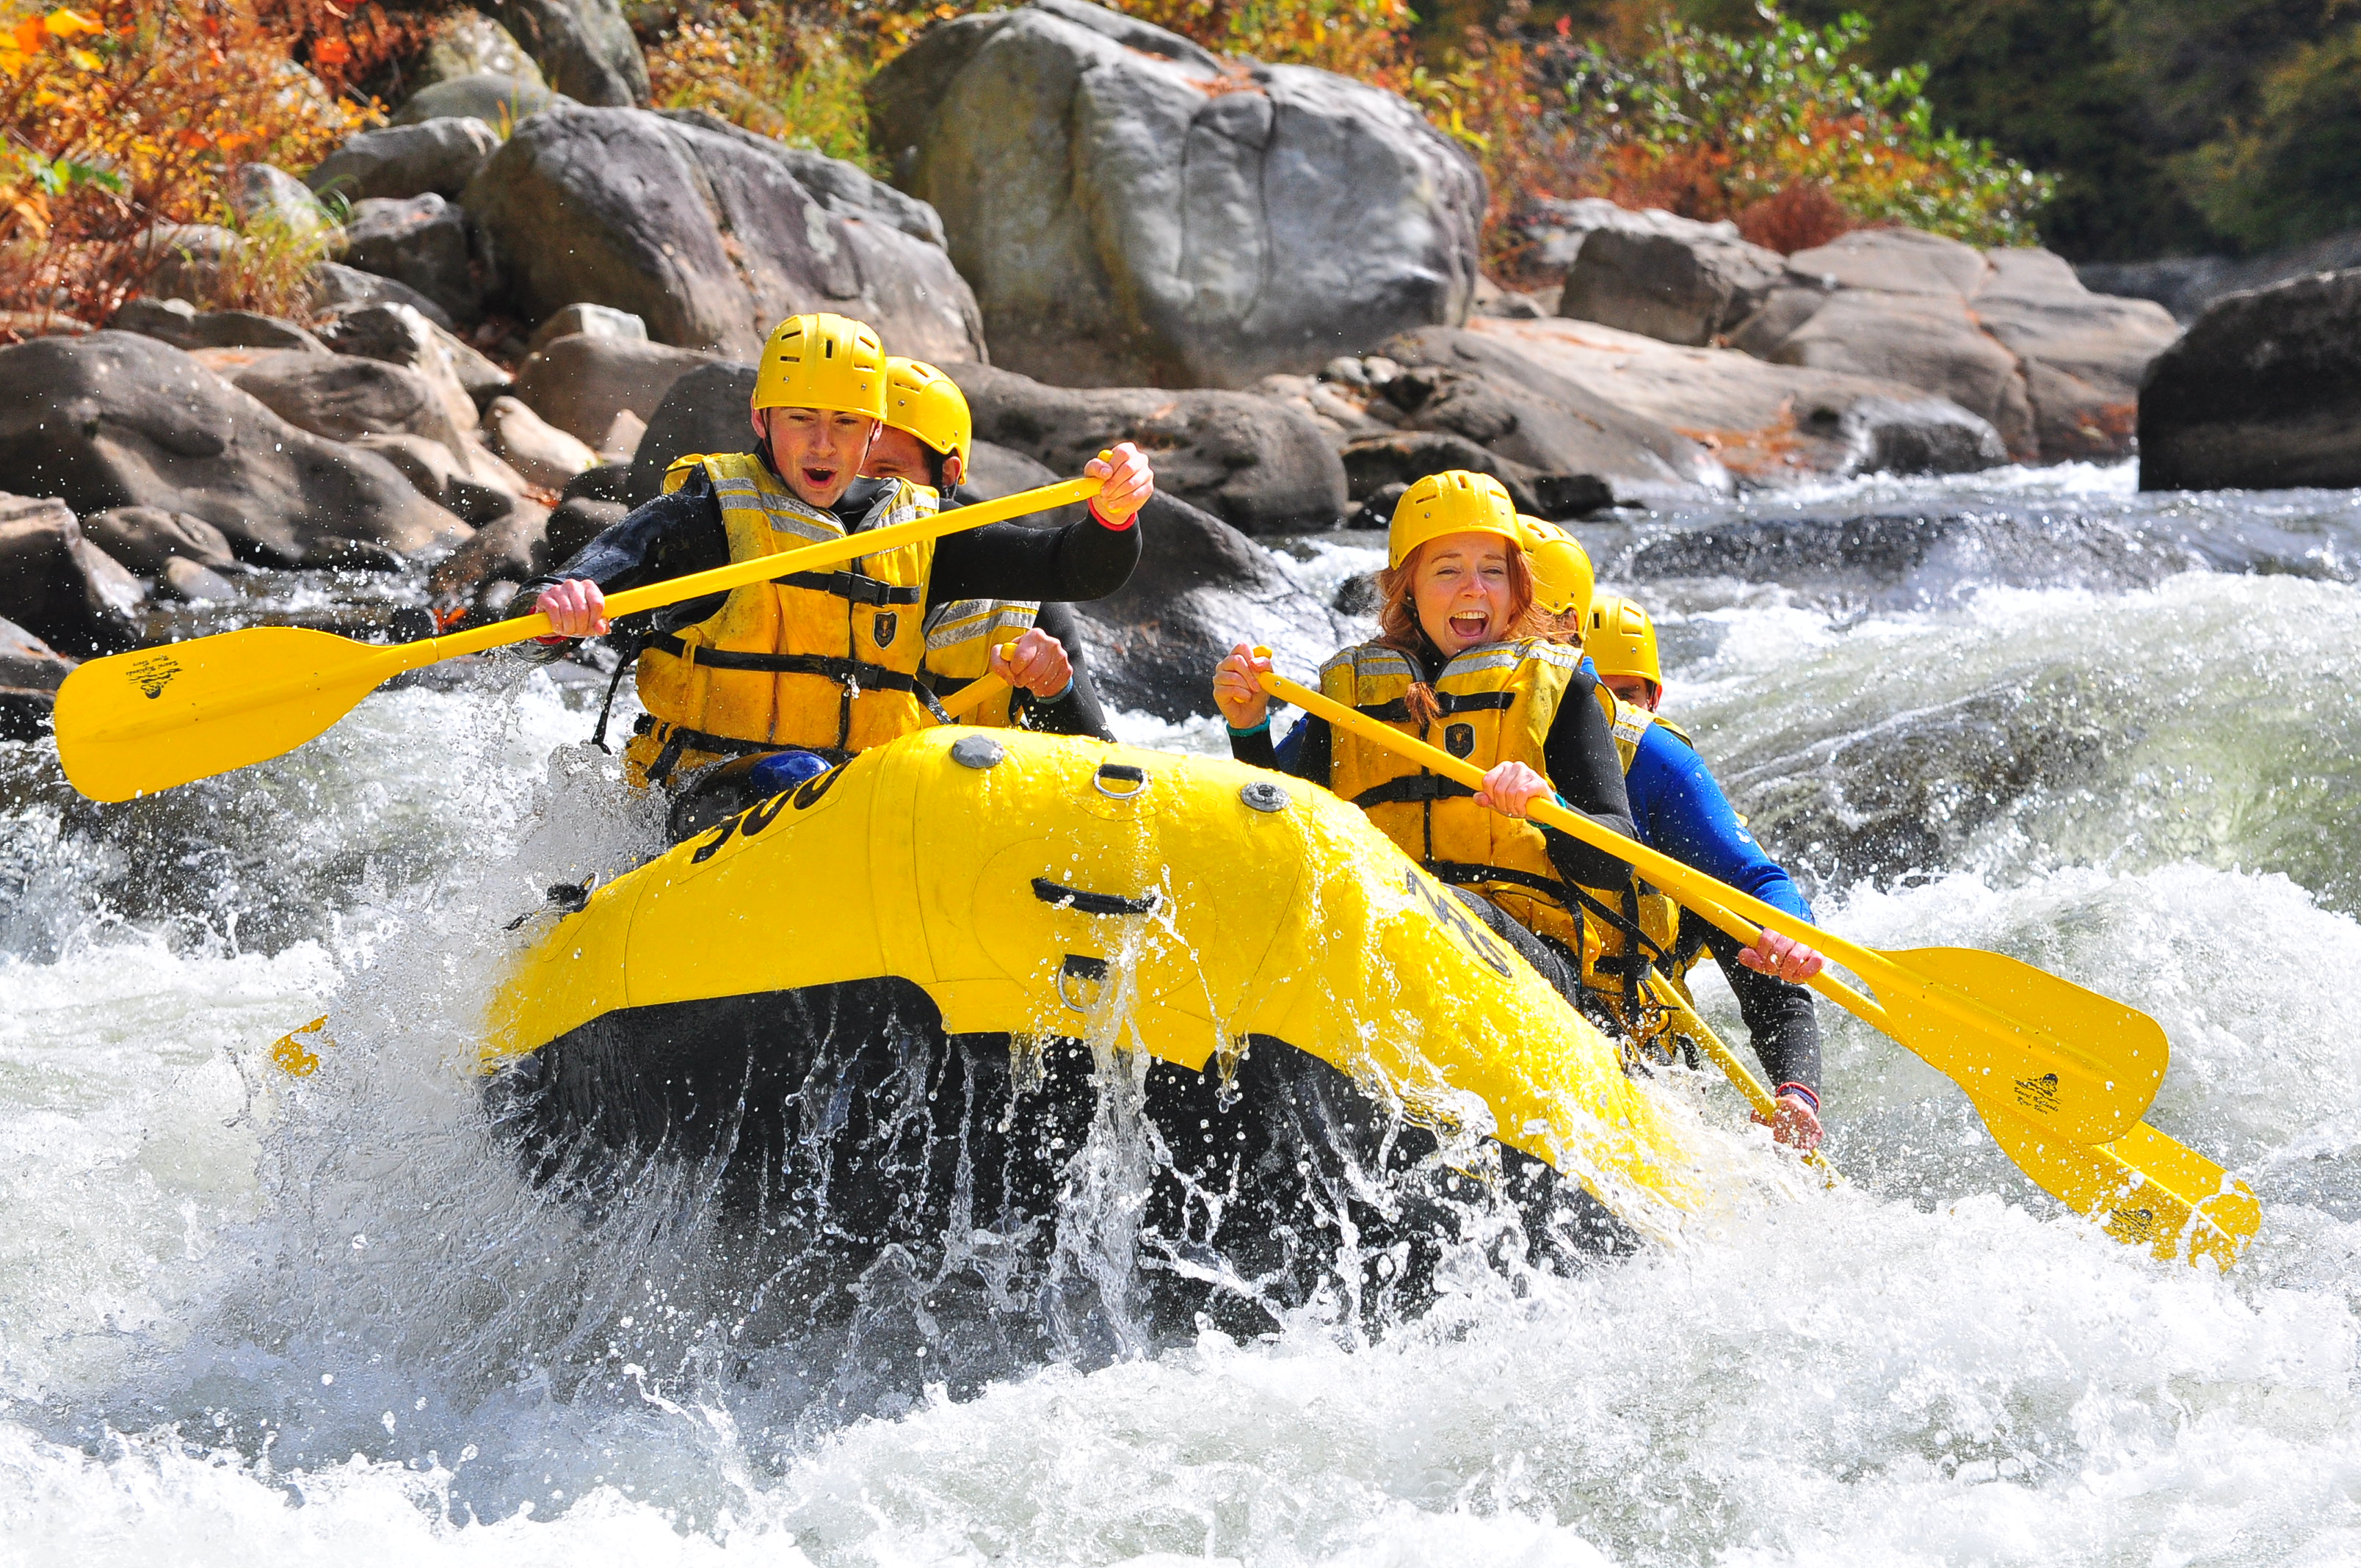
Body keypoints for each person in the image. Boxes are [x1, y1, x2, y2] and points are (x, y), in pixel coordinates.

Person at [523, 313, 1152, 839]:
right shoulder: (706, 516)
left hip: (855, 806)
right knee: (799, 780)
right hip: (697, 798)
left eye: (847, 424)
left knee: (884, 794)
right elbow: (548, 605)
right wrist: (558, 613)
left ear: (872, 429)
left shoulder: (917, 532)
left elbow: (1074, 565)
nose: (824, 445)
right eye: (802, 419)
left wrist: (1115, 514)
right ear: (761, 420)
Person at [1209, 471, 1645, 1019]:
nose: (1474, 589)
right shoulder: (1349, 693)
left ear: (1517, 593)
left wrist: (1551, 809)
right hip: (1386, 943)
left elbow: (1615, 864)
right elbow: (1282, 837)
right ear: (1407, 589)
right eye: (1448, 571)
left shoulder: (1562, 688)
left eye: (1493, 571)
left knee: (1434, 910)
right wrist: (1247, 728)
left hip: (1538, 969)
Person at [1584, 592, 1827, 1150]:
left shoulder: (1670, 804)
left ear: (1654, 697)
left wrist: (1796, 1093)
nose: (1609, 715)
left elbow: (1774, 993)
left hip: (1645, 1051)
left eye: (1627, 697)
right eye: (1595, 696)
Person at [861, 357, 1114, 741]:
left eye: (886, 475)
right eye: (854, 474)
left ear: (946, 475)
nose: (864, 495)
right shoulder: (797, 562)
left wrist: (1053, 692)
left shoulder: (1018, 591)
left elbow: (1102, 760)